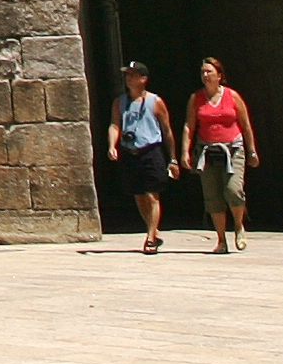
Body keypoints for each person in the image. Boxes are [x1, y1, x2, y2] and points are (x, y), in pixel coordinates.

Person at [181, 57, 255, 253]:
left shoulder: (232, 96)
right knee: (213, 197)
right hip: (207, 150)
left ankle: (239, 226)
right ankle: (221, 240)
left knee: (233, 190)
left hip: (232, 148)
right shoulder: (196, 98)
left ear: (219, 76)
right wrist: (185, 152)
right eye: (203, 72)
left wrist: (252, 150)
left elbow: (245, 125)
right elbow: (189, 126)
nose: (205, 75)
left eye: (209, 72)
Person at [106, 62, 175, 254]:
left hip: (150, 150)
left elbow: (167, 131)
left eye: (133, 75)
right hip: (130, 152)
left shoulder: (155, 102)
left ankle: (151, 237)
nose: (129, 79)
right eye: (127, 75)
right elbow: (114, 125)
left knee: (152, 194)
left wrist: (173, 158)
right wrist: (112, 145)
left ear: (143, 79)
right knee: (139, 195)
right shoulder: (120, 102)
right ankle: (152, 228)